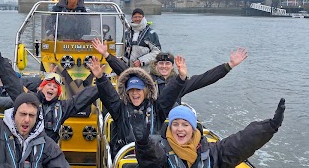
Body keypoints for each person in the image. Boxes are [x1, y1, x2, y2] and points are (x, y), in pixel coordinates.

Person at [135, 100, 285, 168]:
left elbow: (240, 143)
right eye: (175, 124)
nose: (180, 129)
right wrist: (142, 142)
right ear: (170, 127)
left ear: (193, 128)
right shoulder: (162, 149)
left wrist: (270, 126)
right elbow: (151, 159)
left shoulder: (211, 153)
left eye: (185, 124)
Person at [0, 46, 100, 143]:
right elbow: (13, 84)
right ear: (41, 87)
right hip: (27, 144)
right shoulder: (28, 99)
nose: (51, 87)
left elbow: (83, 97)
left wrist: (101, 81)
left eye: (55, 87)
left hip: (49, 150)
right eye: (49, 85)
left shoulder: (62, 107)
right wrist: (0, 63)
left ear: (58, 93)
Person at [92, 38, 248, 106]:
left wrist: (229, 65)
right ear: (156, 65)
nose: (164, 66)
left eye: (168, 64)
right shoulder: (147, 81)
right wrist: (107, 56)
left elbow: (206, 78)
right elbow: (125, 71)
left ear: (172, 66)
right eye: (161, 63)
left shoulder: (180, 83)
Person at [87, 56, 187, 158]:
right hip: (127, 160)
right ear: (127, 92)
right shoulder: (120, 109)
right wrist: (100, 77)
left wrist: (181, 78)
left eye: (138, 90)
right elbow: (109, 95)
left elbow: (169, 95)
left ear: (145, 90)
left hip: (153, 159)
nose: (135, 93)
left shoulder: (157, 108)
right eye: (131, 90)